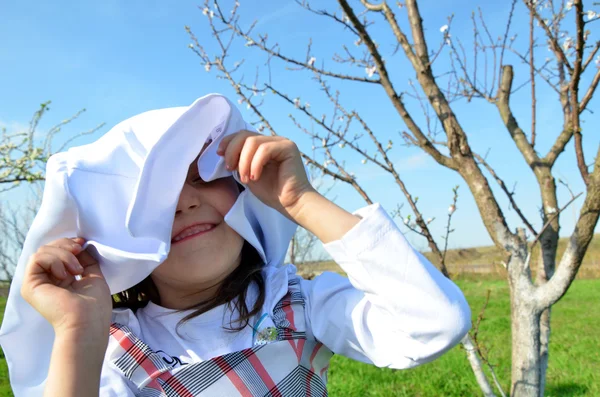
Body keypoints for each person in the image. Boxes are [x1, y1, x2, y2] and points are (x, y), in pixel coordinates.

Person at [5, 95, 471, 396]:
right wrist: (79, 332)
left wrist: (301, 201)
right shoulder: (117, 349)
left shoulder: (298, 304)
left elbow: (433, 324)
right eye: (157, 199)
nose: (185, 202)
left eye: (202, 177)